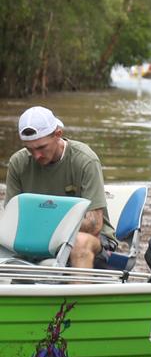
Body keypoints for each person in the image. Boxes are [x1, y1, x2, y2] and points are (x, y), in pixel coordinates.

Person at [5, 107, 116, 269]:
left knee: (80, 242)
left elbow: (94, 225)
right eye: (30, 149)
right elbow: (11, 219)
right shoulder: (18, 163)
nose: (36, 156)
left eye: (41, 147)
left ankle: (78, 294)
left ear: (58, 134)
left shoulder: (85, 160)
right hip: (35, 238)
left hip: (91, 238)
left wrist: (49, 228)